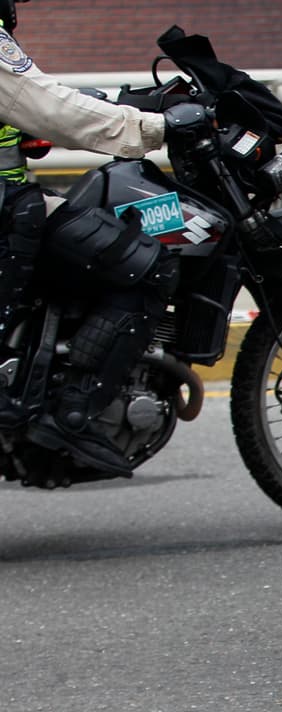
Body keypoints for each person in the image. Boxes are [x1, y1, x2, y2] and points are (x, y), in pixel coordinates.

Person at [0, 0, 180, 475]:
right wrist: (157, 127)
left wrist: (113, 100)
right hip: (6, 210)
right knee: (145, 264)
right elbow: (46, 109)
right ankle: (71, 416)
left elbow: (32, 98)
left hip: (11, 203)